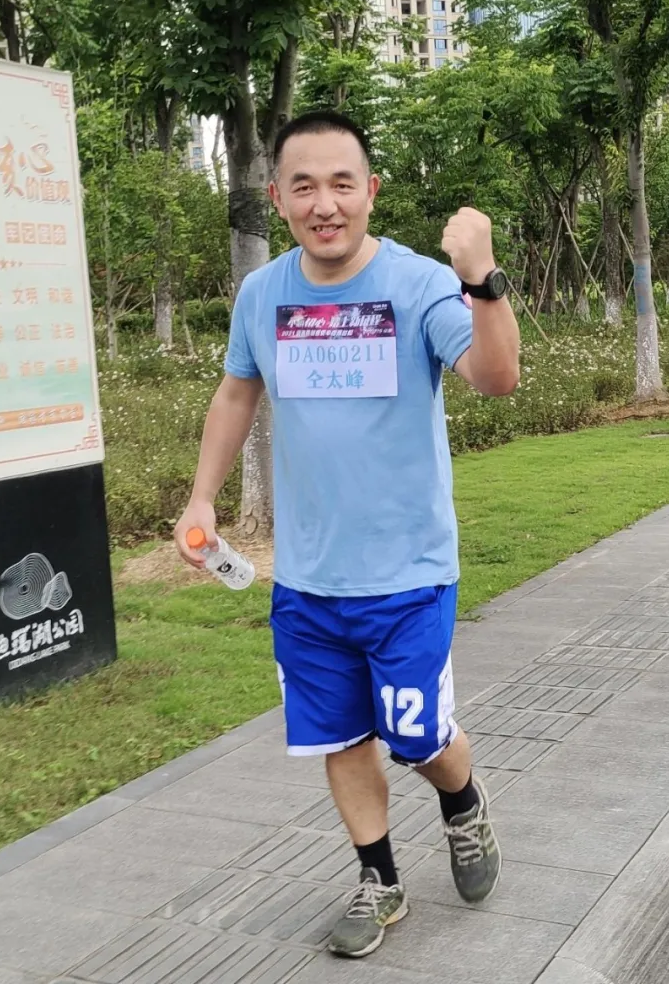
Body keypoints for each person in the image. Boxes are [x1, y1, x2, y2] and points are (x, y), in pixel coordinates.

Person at [175, 110, 520, 958]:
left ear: (371, 191)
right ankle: (379, 879)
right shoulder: (263, 295)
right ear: (278, 197)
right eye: (304, 186)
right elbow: (234, 396)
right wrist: (200, 500)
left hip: (409, 572)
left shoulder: (418, 284)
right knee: (340, 736)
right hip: (308, 578)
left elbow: (497, 378)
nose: (324, 203)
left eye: (341, 183)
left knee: (416, 737)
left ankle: (463, 800)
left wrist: (482, 278)